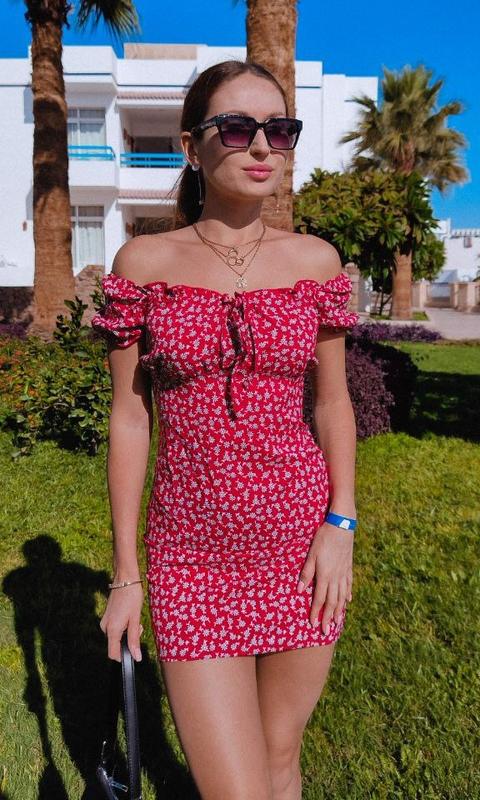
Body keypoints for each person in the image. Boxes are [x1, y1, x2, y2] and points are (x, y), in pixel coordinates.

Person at [91, 59, 359, 800]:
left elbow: (333, 404)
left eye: (280, 129)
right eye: (237, 128)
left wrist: (340, 522)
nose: (262, 146)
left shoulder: (314, 262)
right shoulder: (143, 264)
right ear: (191, 146)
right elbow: (130, 417)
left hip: (301, 547)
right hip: (191, 555)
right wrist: (126, 574)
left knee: (279, 760)